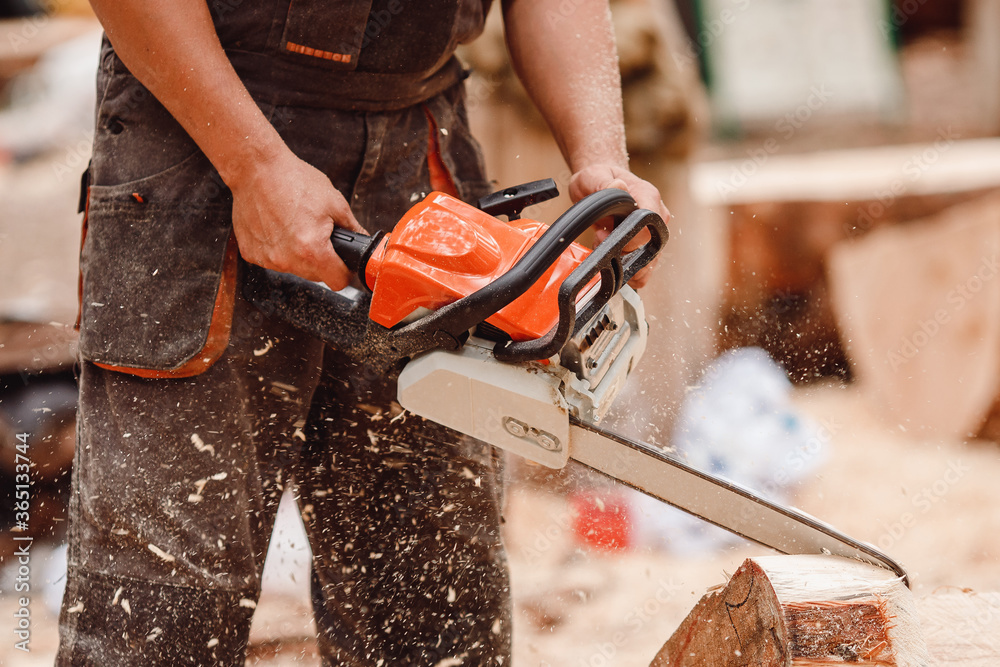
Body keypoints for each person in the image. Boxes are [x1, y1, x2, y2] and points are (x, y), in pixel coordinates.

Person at [57, 0, 669, 664]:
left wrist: (601, 157)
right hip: (198, 129)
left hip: (420, 154)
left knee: (433, 606)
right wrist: (253, 162)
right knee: (157, 616)